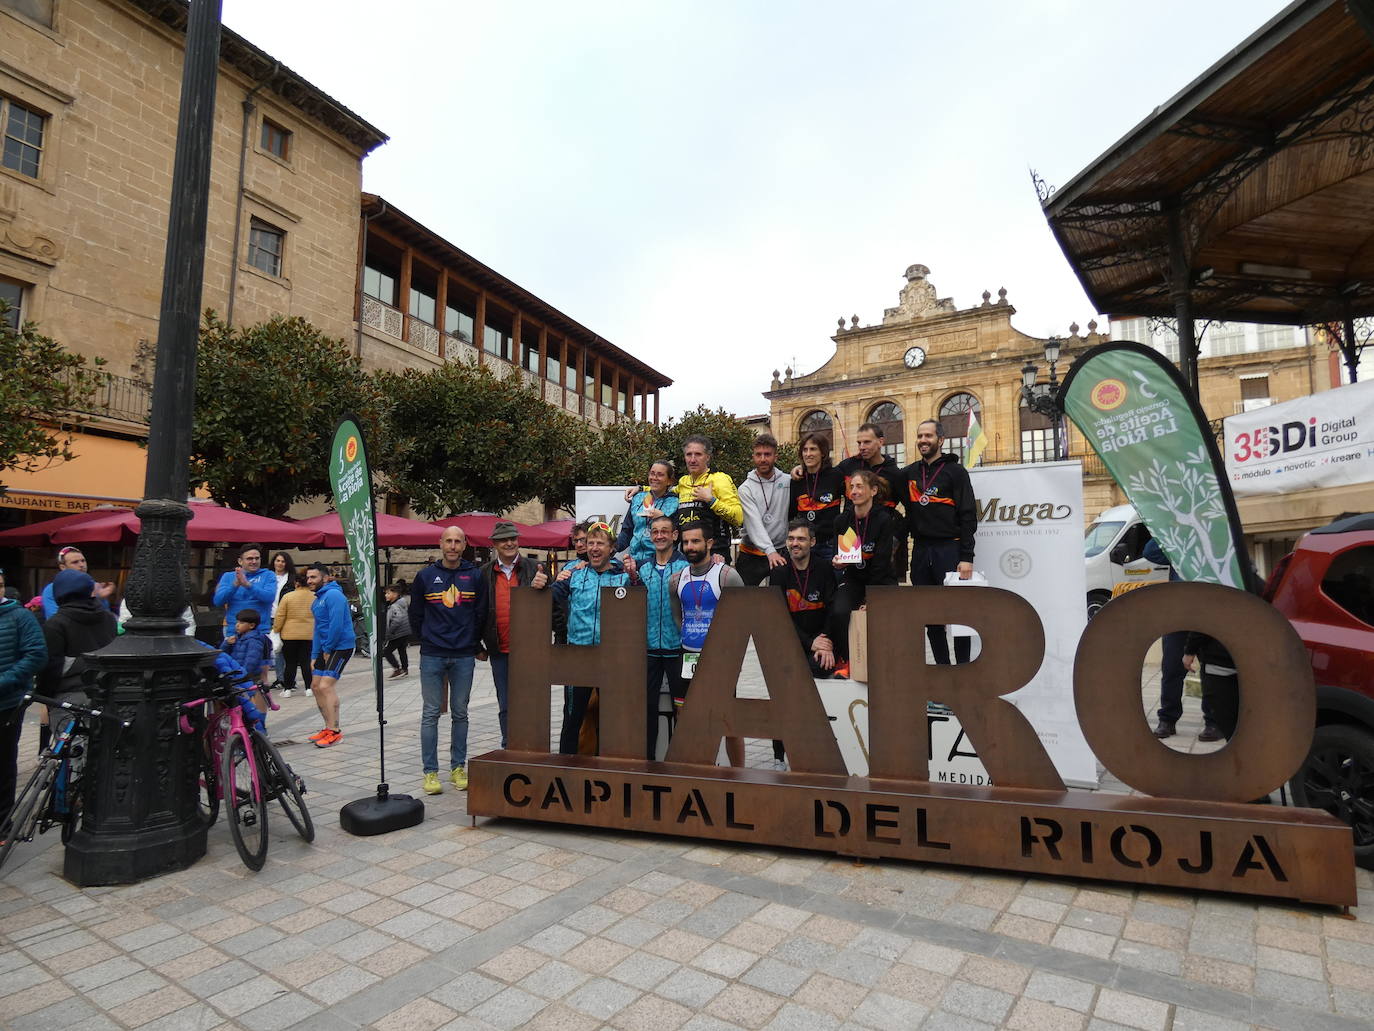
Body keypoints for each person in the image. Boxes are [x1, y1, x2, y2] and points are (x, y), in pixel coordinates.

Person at [409, 526, 487, 794]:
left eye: (458, 541)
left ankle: (457, 768)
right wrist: (428, 639)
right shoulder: (425, 577)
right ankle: (430, 773)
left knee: (460, 713)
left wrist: (472, 642)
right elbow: (415, 614)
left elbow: (480, 613)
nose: (453, 546)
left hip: (463, 655)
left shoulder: (474, 576)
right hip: (432, 654)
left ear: (464, 545)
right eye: (448, 541)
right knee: (431, 713)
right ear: (440, 543)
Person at [552, 522, 636, 755]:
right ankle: (566, 769)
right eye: (590, 543)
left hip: (611, 658)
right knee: (572, 717)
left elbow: (642, 597)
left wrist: (634, 576)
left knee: (612, 719)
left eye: (601, 543)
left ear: (612, 548)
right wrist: (543, 584)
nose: (594, 548)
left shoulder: (623, 576)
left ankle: (608, 768)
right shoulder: (575, 574)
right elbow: (549, 597)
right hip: (578, 657)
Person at [901, 419, 978, 665]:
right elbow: (878, 480)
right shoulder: (910, 473)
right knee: (930, 616)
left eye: (929, 436)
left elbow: (968, 515)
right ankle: (943, 672)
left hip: (951, 549)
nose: (923, 440)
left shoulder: (955, 472)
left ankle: (963, 671)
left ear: (940, 440)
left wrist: (967, 557)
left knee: (958, 616)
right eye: (920, 435)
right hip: (922, 550)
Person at [669, 524, 745, 765]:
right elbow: (677, 617)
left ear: (709, 543)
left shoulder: (727, 575)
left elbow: (741, 619)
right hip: (688, 656)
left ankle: (738, 772)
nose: (690, 547)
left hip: (719, 659)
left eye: (696, 542)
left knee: (728, 719)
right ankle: (698, 766)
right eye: (686, 542)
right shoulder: (676, 580)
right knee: (685, 714)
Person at [477, 522, 549, 749]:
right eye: (503, 540)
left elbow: (553, 604)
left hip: (530, 649)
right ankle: (510, 745)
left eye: (513, 538)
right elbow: (477, 611)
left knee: (532, 700)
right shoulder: (484, 573)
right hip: (500, 649)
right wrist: (476, 644)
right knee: (506, 703)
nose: (509, 543)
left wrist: (545, 587)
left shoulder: (536, 567)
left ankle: (535, 744)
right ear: (495, 544)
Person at [1142, 538, 1218, 741]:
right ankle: (1167, 720)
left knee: (1210, 670)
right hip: (1178, 615)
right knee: (1171, 670)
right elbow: (1149, 552)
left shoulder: (1212, 542)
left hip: (1208, 615)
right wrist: (1168, 527)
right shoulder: (1177, 544)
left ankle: (1213, 721)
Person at [830, 469, 899, 674]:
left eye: (860, 486)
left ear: (873, 490)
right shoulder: (842, 521)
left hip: (880, 581)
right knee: (839, 611)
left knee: (882, 617)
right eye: (852, 487)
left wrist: (870, 600)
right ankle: (848, 660)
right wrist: (838, 563)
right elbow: (838, 555)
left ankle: (888, 664)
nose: (854, 491)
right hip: (854, 580)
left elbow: (881, 563)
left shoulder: (883, 520)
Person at [638, 514, 689, 759]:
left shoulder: (686, 567)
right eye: (655, 531)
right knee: (646, 711)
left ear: (674, 535)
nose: (659, 535)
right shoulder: (642, 568)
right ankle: (648, 761)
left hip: (678, 649)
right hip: (648, 651)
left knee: (683, 709)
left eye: (664, 531)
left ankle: (683, 760)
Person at [0, 566, 46, 831]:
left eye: (1, 584)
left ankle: (3, 824)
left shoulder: (19, 616)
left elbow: (36, 655)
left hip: (7, 703)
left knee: (3, 765)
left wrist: (5, 681)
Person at [767, 519, 840, 678]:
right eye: (791, 538)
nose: (795, 543)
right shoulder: (779, 572)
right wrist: (809, 643)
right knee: (781, 669)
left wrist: (824, 643)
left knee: (822, 666)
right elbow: (779, 617)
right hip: (792, 641)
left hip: (819, 639)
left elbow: (832, 609)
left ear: (812, 542)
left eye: (801, 539)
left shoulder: (824, 568)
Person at [836, 422, 906, 576]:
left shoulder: (895, 474)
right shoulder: (848, 466)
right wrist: (800, 469)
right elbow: (825, 477)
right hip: (852, 539)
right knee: (851, 585)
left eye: (867, 442)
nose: (861, 446)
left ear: (881, 442)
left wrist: (896, 537)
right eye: (859, 442)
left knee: (879, 586)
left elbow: (911, 509)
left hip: (880, 539)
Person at [305, 563, 354, 748]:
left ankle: (335, 732)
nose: (309, 581)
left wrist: (327, 649)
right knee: (316, 686)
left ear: (325, 578)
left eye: (314, 577)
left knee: (326, 686)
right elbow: (318, 629)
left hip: (341, 646)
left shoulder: (334, 595)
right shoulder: (317, 601)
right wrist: (315, 654)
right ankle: (327, 727)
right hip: (325, 648)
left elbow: (336, 625)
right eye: (308, 577)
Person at [673, 435, 742, 564]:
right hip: (688, 556)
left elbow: (738, 518)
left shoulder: (720, 479)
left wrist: (711, 500)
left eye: (698, 454)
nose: (692, 459)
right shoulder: (683, 482)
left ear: (707, 457)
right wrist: (641, 489)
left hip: (716, 556)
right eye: (689, 455)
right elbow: (666, 490)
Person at [736, 433, 791, 586]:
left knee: (780, 600)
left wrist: (800, 468)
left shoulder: (788, 481)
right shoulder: (745, 488)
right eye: (758, 454)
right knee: (745, 599)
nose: (762, 459)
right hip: (751, 553)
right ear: (753, 457)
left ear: (776, 457)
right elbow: (754, 523)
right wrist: (769, 550)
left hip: (779, 551)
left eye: (767, 454)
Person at [789, 431, 846, 565]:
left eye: (813, 449)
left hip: (830, 545)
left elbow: (850, 504)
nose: (808, 454)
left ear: (823, 453)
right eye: (805, 450)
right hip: (805, 546)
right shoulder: (796, 479)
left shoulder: (836, 475)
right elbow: (791, 514)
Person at [614, 460, 680, 568]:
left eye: (660, 475)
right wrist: (611, 548)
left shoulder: (675, 502)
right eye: (652, 473)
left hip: (661, 564)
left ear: (669, 481)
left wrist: (663, 518)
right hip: (634, 563)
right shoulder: (638, 498)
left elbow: (678, 535)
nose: (654, 478)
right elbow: (627, 531)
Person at [211, 544, 277, 640]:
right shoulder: (228, 576)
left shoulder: (268, 575)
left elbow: (269, 597)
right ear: (240, 561)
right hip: (233, 632)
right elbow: (218, 601)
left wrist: (247, 585)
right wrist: (235, 585)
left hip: (260, 632)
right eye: (250, 559)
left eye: (257, 558)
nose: (254, 562)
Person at [272, 571, 315, 698]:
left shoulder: (288, 597)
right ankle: (308, 688)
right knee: (306, 662)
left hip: (289, 634)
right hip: (308, 634)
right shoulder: (315, 596)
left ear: (296, 583)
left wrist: (276, 630)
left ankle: (287, 689)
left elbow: (280, 616)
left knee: (290, 663)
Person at [40, 547, 114, 619]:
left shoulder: (94, 586)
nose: (82, 565)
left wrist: (101, 599)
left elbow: (105, 619)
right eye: (75, 562)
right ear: (63, 567)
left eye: (83, 560)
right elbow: (56, 619)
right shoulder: (52, 589)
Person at [222, 608, 273, 692]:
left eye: (241, 623)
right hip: (238, 674)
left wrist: (243, 674)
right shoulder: (236, 638)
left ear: (251, 625)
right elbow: (222, 654)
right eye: (237, 622)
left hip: (249, 676)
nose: (237, 625)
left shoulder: (254, 640)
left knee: (253, 697)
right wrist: (227, 643)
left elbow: (252, 660)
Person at [266, 551, 295, 689]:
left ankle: (288, 678)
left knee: (287, 649)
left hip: (286, 617)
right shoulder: (267, 577)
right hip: (269, 615)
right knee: (275, 648)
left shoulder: (291, 579)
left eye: (283, 561)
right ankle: (280, 678)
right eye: (277, 561)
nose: (280, 564)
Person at [383, 583, 411, 680]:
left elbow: (398, 619)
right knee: (402, 650)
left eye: (388, 593)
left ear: (395, 594)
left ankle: (397, 669)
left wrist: (390, 631)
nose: (386, 595)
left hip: (398, 633)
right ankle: (404, 669)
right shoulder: (401, 603)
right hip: (405, 631)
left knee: (386, 652)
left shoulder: (395, 606)